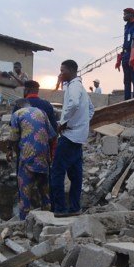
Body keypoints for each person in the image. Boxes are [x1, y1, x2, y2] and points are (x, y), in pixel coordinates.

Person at [51, 59, 94, 215]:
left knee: (57, 172)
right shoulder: (80, 87)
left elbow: (74, 104)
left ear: (71, 71)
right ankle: (75, 207)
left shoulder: (74, 86)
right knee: (75, 175)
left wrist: (63, 122)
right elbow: (91, 109)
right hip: (78, 137)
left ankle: (60, 208)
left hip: (69, 136)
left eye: (63, 71)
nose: (60, 74)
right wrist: (81, 124)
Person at [10, 99, 56, 220]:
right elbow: (52, 135)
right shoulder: (42, 112)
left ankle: (23, 223)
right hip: (43, 158)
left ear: (18, 106)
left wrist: (12, 152)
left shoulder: (17, 114)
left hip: (27, 157)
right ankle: (48, 219)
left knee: (25, 193)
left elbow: (14, 138)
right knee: (44, 192)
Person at [116, 8, 134, 100]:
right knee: (126, 80)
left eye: (125, 14)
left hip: (133, 54)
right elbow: (125, 41)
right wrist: (120, 57)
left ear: (131, 14)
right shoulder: (126, 27)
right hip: (125, 55)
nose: (123, 16)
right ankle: (127, 99)